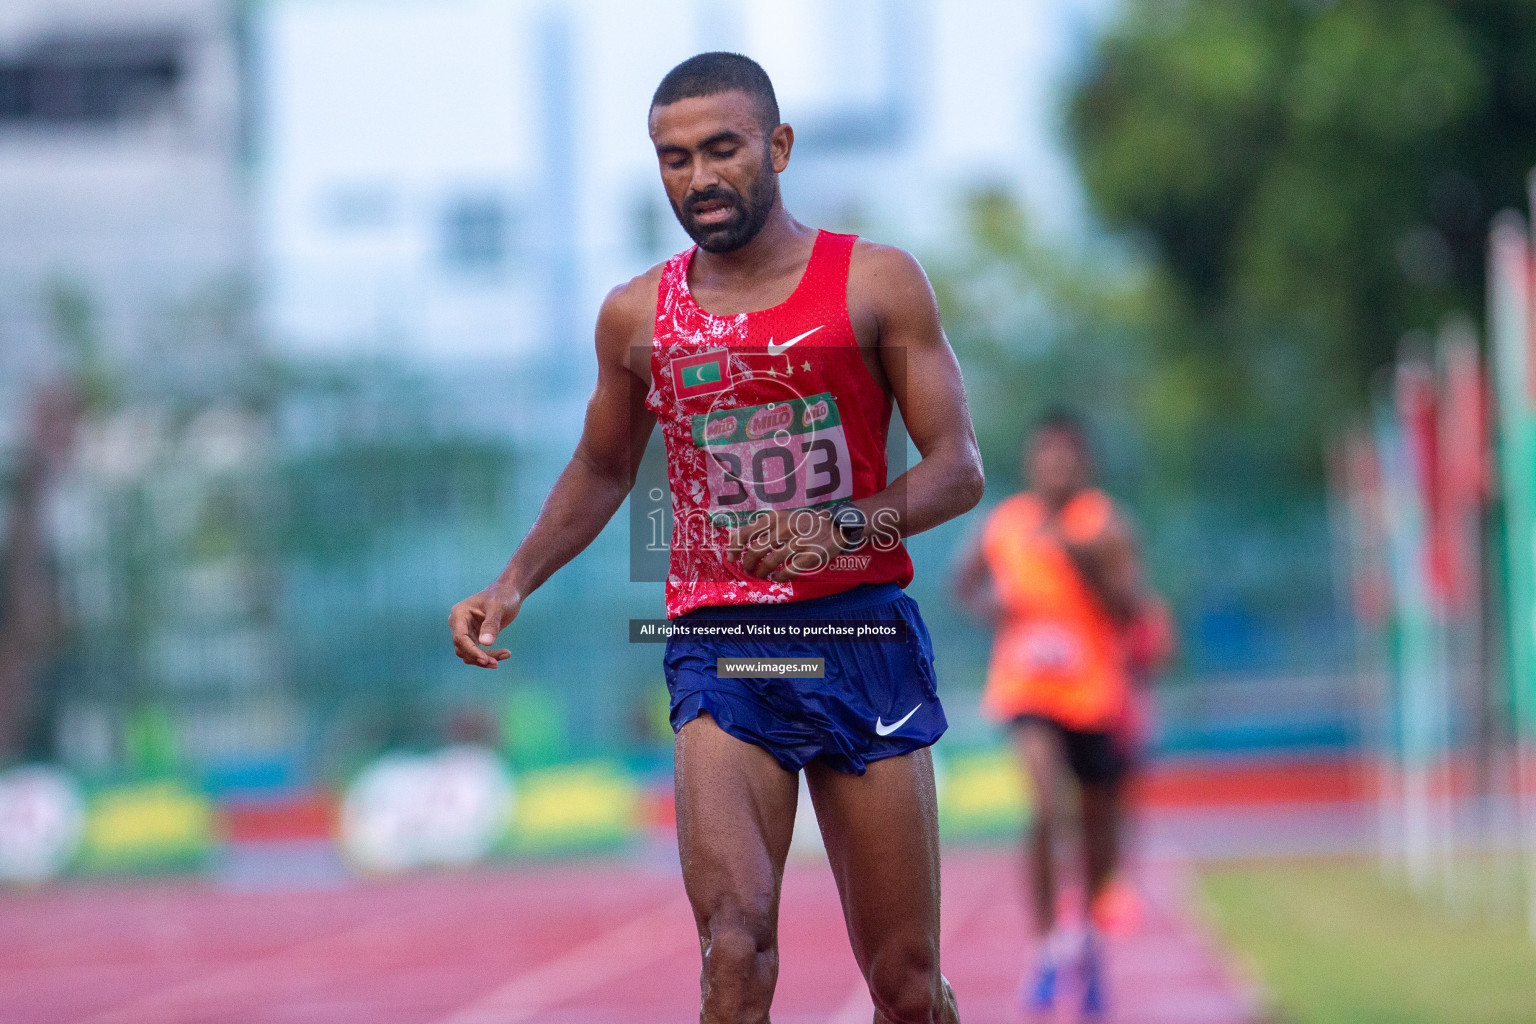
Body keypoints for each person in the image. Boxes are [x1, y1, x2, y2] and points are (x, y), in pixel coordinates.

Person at [449, 53, 983, 1024]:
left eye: (722, 149)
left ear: (778, 146)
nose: (697, 178)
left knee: (905, 986)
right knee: (733, 948)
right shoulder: (636, 317)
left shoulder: (876, 283)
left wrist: (839, 528)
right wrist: (515, 578)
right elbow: (604, 467)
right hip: (721, 648)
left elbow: (959, 468)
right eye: (673, 158)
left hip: (861, 640)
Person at [952, 412, 1150, 1019]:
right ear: (1032, 461)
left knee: (1098, 834)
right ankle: (1044, 947)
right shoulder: (1005, 524)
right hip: (1027, 691)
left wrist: (1082, 561)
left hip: (1092, 696)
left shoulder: (1106, 525)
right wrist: (997, 608)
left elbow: (1130, 609)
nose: (1053, 467)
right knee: (1043, 805)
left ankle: (1084, 937)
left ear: (1082, 464)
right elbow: (964, 585)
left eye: (1065, 457)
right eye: (1044, 456)